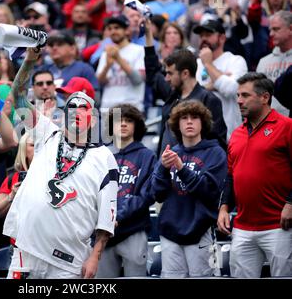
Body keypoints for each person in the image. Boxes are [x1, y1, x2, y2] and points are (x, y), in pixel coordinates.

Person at [3, 48, 118, 279]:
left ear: (93, 118)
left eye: (82, 108)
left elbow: (108, 215)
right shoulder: (47, 134)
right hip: (26, 251)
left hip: (69, 260)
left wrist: (95, 256)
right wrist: (28, 61)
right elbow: (18, 96)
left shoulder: (105, 157)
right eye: (71, 107)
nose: (75, 112)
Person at [217, 72, 292, 278]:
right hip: (242, 226)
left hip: (279, 226)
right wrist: (224, 208)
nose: (239, 101)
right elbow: (231, 176)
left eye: (245, 95)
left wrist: (291, 203)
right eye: (238, 96)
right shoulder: (236, 134)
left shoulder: (287, 127)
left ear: (264, 97)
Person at [149, 100, 227, 278]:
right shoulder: (171, 153)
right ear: (177, 124)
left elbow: (209, 192)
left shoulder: (216, 153)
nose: (189, 121)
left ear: (203, 122)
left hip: (200, 233)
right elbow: (156, 194)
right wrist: (162, 168)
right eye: (184, 118)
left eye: (195, 117)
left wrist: (182, 168)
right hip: (170, 233)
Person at [144, 21, 227, 157]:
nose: (167, 78)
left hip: (194, 173)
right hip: (166, 171)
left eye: (170, 73)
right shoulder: (172, 96)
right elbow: (152, 72)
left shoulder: (208, 100)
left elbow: (218, 145)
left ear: (185, 74)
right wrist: (148, 34)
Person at [96, 104, 156, 278]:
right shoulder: (101, 156)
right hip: (103, 232)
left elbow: (146, 195)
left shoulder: (147, 156)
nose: (123, 124)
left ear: (136, 126)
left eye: (128, 121)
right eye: (119, 121)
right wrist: (104, 218)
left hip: (134, 229)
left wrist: (117, 216)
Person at [194, 19, 248, 141]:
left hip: (229, 137)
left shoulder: (236, 61)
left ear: (222, 38)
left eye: (208, 35)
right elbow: (189, 94)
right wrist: (214, 83)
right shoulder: (195, 64)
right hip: (199, 138)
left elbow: (231, 89)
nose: (203, 39)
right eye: (201, 35)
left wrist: (208, 64)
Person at [97, 15, 146, 111]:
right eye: (110, 29)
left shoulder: (139, 50)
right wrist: (107, 66)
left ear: (127, 30)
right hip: (108, 107)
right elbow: (99, 83)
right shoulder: (106, 53)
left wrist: (118, 59)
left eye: (117, 28)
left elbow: (138, 80)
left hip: (131, 107)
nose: (113, 31)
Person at [256, 10, 292, 117]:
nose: (271, 34)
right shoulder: (263, 61)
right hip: (269, 124)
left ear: (290, 29)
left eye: (276, 29)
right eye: (270, 30)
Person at [0, 132, 34, 220]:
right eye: (33, 145)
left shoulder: (55, 176)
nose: (38, 148)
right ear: (24, 150)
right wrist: (13, 195)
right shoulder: (14, 178)